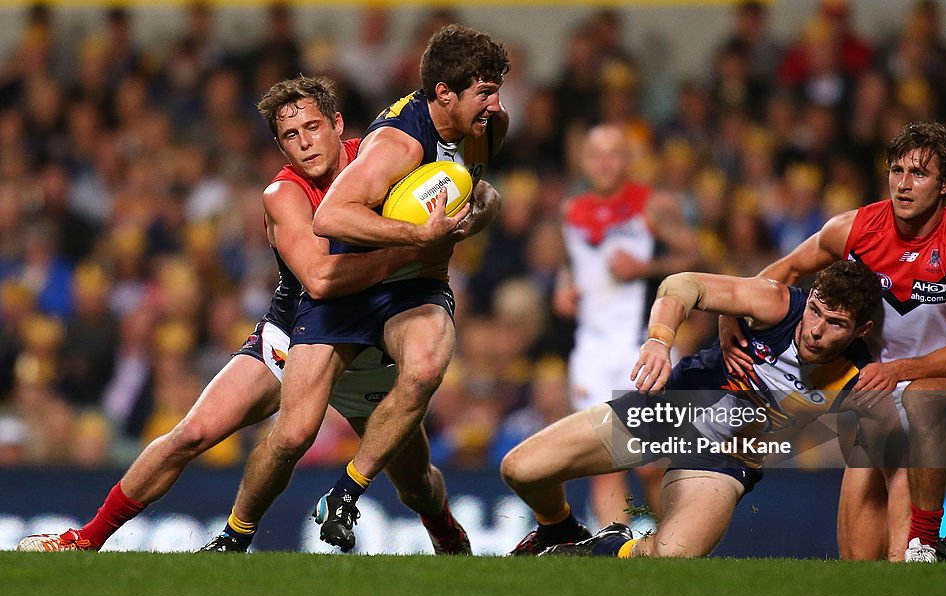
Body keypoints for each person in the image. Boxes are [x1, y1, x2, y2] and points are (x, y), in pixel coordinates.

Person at [18, 76, 468, 554]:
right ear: (279, 146)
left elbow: (470, 188)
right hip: (295, 337)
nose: (306, 143)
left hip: (369, 350)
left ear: (337, 124)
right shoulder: (283, 194)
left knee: (416, 481)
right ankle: (85, 539)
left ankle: (446, 534)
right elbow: (319, 280)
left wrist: (470, 213)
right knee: (190, 434)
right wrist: (413, 245)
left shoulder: (384, 160)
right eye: (291, 136)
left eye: (314, 127)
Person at [217, 25, 509, 553]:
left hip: (414, 289)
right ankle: (233, 537)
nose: (495, 103)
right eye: (485, 92)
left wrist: (474, 220)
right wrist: (418, 236)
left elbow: (483, 192)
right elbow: (330, 217)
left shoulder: (490, 125)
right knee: (291, 435)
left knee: (422, 382)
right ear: (445, 93)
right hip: (354, 290)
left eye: (495, 90)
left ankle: (351, 494)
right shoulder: (396, 144)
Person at [720, 120, 946, 563]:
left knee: (923, 402)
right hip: (875, 395)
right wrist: (730, 314)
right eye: (897, 171)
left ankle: (925, 542)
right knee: (858, 562)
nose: (903, 185)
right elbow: (783, 272)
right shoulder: (854, 228)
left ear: (945, 186)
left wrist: (896, 371)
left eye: (918, 174)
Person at [502, 260, 891, 557]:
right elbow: (681, 285)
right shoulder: (778, 304)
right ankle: (558, 530)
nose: (816, 330)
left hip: (724, 460)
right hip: (670, 410)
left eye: (835, 323)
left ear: (860, 330)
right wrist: (658, 341)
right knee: (520, 469)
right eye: (816, 311)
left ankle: (601, 547)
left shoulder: (863, 376)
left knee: (672, 555)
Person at [554, 123, 698, 526]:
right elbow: (572, 264)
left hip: (643, 346)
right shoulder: (571, 210)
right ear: (584, 161)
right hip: (592, 350)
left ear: (628, 160)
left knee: (652, 462)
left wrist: (645, 267)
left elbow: (693, 257)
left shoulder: (652, 205)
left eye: (613, 153)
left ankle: (675, 545)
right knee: (605, 464)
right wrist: (564, 288)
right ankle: (617, 550)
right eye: (595, 154)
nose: (603, 163)